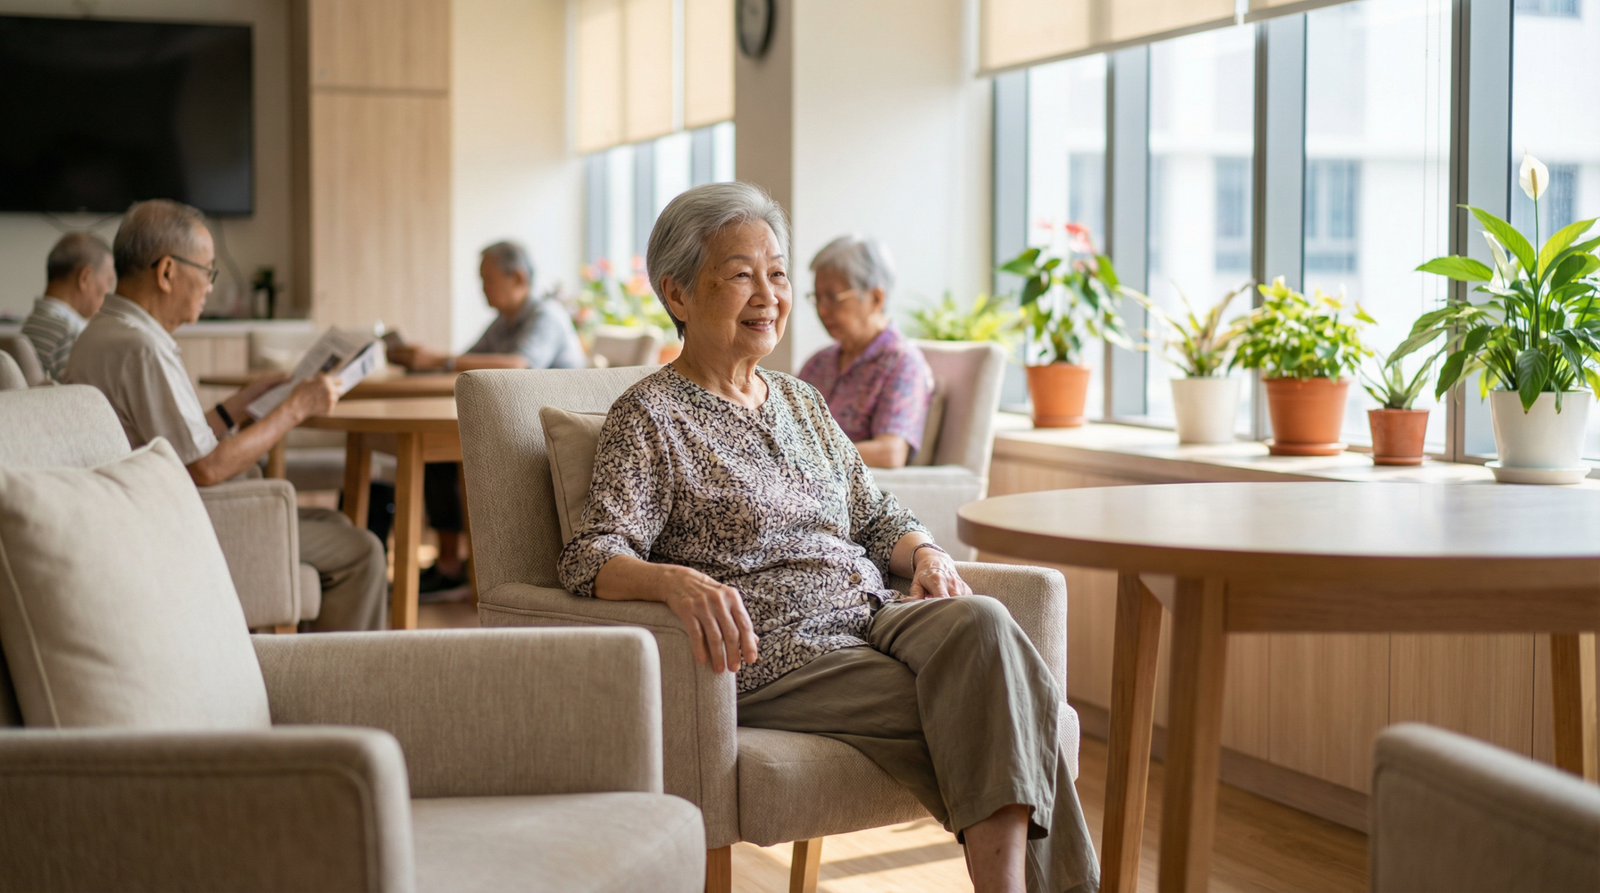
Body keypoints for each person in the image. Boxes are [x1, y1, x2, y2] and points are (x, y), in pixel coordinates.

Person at [558, 182, 1097, 893]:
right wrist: (673, 579)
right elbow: (590, 551)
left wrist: (927, 553)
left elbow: (876, 516)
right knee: (1007, 697)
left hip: (872, 619)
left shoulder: (802, 400)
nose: (769, 294)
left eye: (777, 273)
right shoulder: (650, 416)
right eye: (742, 274)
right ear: (680, 294)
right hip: (776, 650)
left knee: (985, 622)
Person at [65, 199, 387, 632]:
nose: (211, 286)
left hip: (150, 509)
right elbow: (206, 467)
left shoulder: (107, 332)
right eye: (208, 270)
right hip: (184, 522)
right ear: (167, 272)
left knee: (333, 523)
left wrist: (237, 405)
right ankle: (343, 687)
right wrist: (295, 407)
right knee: (362, 549)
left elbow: (172, 443)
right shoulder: (142, 347)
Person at [389, 240, 587, 593]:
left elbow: (519, 364)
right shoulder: (504, 322)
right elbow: (467, 359)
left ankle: (468, 569)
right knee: (433, 457)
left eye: (488, 280)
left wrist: (440, 360)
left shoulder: (546, 316)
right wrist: (424, 361)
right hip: (516, 422)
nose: (483, 289)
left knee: (442, 454)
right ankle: (450, 564)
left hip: (545, 433)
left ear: (518, 277)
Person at [797, 235, 933, 469]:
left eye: (832, 297)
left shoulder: (901, 362)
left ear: (876, 298)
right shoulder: (818, 364)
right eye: (817, 298)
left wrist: (805, 455)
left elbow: (890, 453)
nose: (822, 310)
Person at [21, 232, 115, 381]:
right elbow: (80, 396)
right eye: (108, 282)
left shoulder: (31, 322)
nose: (109, 292)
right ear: (85, 277)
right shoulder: (71, 332)